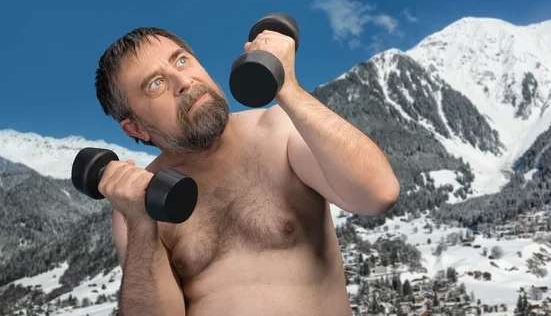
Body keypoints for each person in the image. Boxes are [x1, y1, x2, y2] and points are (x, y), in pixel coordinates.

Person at [93, 25, 400, 316]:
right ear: (136, 128)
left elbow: (377, 195)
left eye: (182, 60)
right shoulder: (140, 204)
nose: (183, 81)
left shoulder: (279, 131)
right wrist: (140, 222)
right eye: (156, 83)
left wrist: (288, 88)